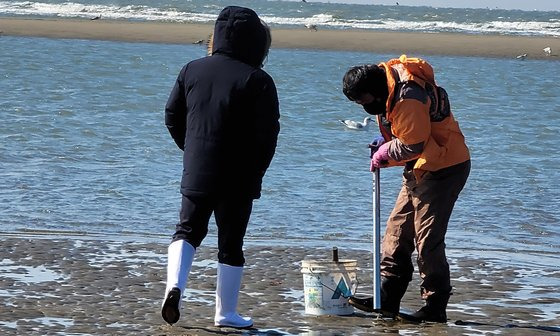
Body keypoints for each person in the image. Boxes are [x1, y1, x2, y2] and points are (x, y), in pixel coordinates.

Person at [161, 6, 279, 328]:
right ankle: (225, 314)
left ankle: (175, 287)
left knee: (187, 231)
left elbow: (172, 116)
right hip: (239, 176)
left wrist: (192, 149)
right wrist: (257, 173)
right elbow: (268, 135)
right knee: (231, 244)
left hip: (199, 168)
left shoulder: (192, 70)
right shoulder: (259, 80)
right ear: (257, 43)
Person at [341, 55, 470, 323]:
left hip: (444, 166)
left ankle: (435, 306)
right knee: (397, 231)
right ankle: (387, 298)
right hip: (420, 167)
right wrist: (387, 140)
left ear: (374, 91)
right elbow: (405, 134)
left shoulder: (408, 96)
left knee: (427, 241)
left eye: (363, 100)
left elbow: (414, 145)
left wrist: (387, 152)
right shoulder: (388, 83)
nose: (362, 106)